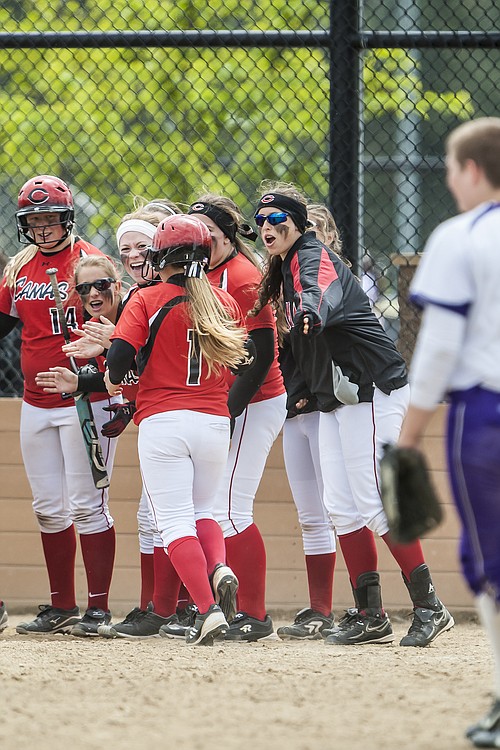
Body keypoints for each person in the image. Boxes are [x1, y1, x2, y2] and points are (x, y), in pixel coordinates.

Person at [253, 181, 453, 646]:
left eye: (277, 219)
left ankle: (429, 606)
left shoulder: (311, 255)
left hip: (370, 389)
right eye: (261, 221)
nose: (267, 227)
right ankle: (370, 614)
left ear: (299, 225)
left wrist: (309, 313)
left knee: (374, 500)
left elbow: (318, 293)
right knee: (341, 507)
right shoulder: (282, 268)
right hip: (336, 398)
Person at [397, 118, 500, 745]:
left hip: (486, 414)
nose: (446, 178)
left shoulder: (461, 235)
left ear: (471, 170)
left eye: (448, 167)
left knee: (489, 558)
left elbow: (437, 350)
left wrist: (408, 437)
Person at [104, 214, 248, 645]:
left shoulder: (146, 299)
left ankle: (207, 611)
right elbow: (243, 362)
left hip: (164, 421)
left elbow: (116, 366)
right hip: (214, 421)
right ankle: (218, 566)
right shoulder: (223, 302)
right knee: (206, 512)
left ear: (161, 256)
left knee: (173, 524)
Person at [0, 175, 119, 637]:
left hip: (84, 399)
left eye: (51, 219)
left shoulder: (91, 263)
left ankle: (99, 608)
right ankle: (62, 605)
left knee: (88, 505)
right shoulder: (20, 267)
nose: (43, 227)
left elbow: (118, 328)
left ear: (67, 219)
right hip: (35, 402)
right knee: (49, 507)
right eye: (34, 220)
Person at [185, 194, 287, 642]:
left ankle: (257, 615)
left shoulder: (243, 276)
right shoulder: (201, 273)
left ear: (228, 236)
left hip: (254, 399)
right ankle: (232, 610)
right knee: (212, 508)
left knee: (228, 508)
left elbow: (261, 356)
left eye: (209, 235)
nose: (201, 242)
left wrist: (227, 412)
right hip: (224, 402)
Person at [276, 203, 346, 640]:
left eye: (316, 231)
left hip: (328, 406)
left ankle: (364, 605)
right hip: (294, 405)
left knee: (342, 508)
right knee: (311, 515)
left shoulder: (335, 281)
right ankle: (321, 608)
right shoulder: (281, 284)